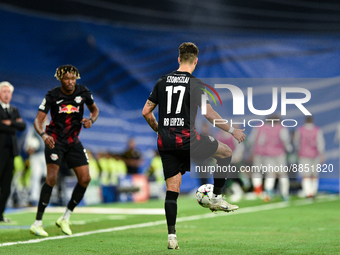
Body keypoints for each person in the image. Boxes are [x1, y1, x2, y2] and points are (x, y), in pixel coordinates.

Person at [142, 42, 246, 249]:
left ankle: (172, 237)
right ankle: (216, 197)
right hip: (188, 139)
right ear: (196, 61)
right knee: (226, 152)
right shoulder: (196, 84)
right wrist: (231, 130)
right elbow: (208, 114)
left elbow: (146, 111)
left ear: (178, 59)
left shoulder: (161, 82)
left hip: (165, 142)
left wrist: (157, 128)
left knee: (172, 190)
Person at [29, 65, 99, 236]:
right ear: (60, 79)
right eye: (67, 78)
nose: (70, 82)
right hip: (55, 142)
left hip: (73, 142)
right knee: (51, 179)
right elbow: (38, 120)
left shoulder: (83, 92)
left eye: (73, 78)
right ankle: (37, 223)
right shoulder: (52, 95)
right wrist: (44, 136)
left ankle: (65, 217)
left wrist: (91, 120)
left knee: (85, 178)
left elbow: (95, 110)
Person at [0, 81, 26, 222]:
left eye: (9, 92)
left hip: (11, 152)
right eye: (4, 91)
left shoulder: (13, 109)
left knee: (6, 186)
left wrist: (9, 123)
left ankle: (0, 214)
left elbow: (23, 126)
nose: (7, 94)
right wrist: (14, 125)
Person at [261, 116, 293, 201]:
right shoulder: (281, 129)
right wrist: (289, 149)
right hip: (279, 155)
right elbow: (285, 140)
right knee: (282, 174)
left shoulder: (265, 129)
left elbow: (261, 141)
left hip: (268, 154)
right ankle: (285, 194)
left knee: (270, 174)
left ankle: (268, 193)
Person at [294, 116, 325, 198]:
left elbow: (297, 142)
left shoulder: (300, 130)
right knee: (314, 174)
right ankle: (313, 191)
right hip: (314, 155)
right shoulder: (317, 130)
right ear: (312, 121)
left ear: (305, 121)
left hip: (303, 155)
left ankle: (308, 192)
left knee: (306, 174)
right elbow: (320, 143)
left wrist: (298, 152)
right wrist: (322, 154)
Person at [24, 116, 49, 206]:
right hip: (35, 156)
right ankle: (34, 198)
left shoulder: (50, 126)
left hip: (46, 155)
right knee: (35, 175)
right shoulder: (34, 127)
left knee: (46, 176)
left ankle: (45, 195)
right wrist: (29, 148)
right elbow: (28, 140)